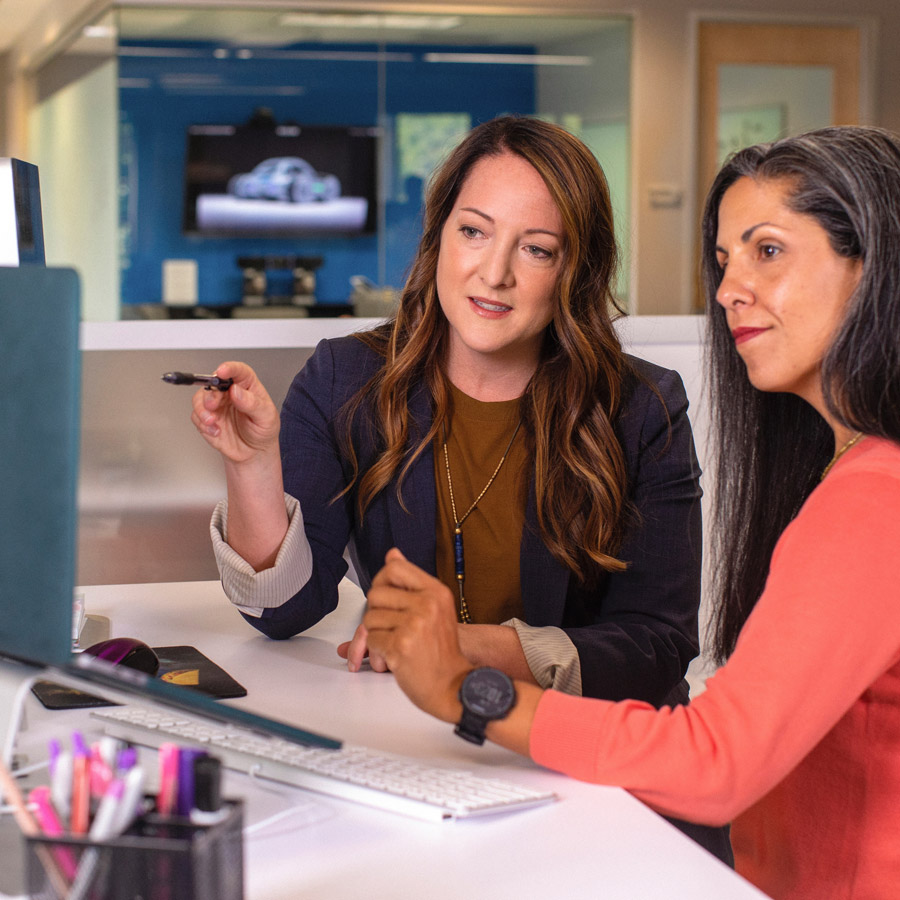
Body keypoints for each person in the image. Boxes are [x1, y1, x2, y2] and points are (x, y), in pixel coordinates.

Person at [362, 124, 900, 900]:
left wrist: (466, 692)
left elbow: (714, 763)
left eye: (768, 251)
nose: (728, 290)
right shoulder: (850, 471)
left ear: (874, 265)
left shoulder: (874, 499)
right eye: (723, 261)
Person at [192, 116, 729, 859]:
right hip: (425, 762)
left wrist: (465, 652)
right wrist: (251, 464)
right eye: (474, 232)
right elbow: (285, 610)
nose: (494, 273)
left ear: (576, 269)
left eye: (535, 249)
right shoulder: (346, 379)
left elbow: (658, 645)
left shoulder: (642, 406)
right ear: (439, 235)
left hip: (596, 775)